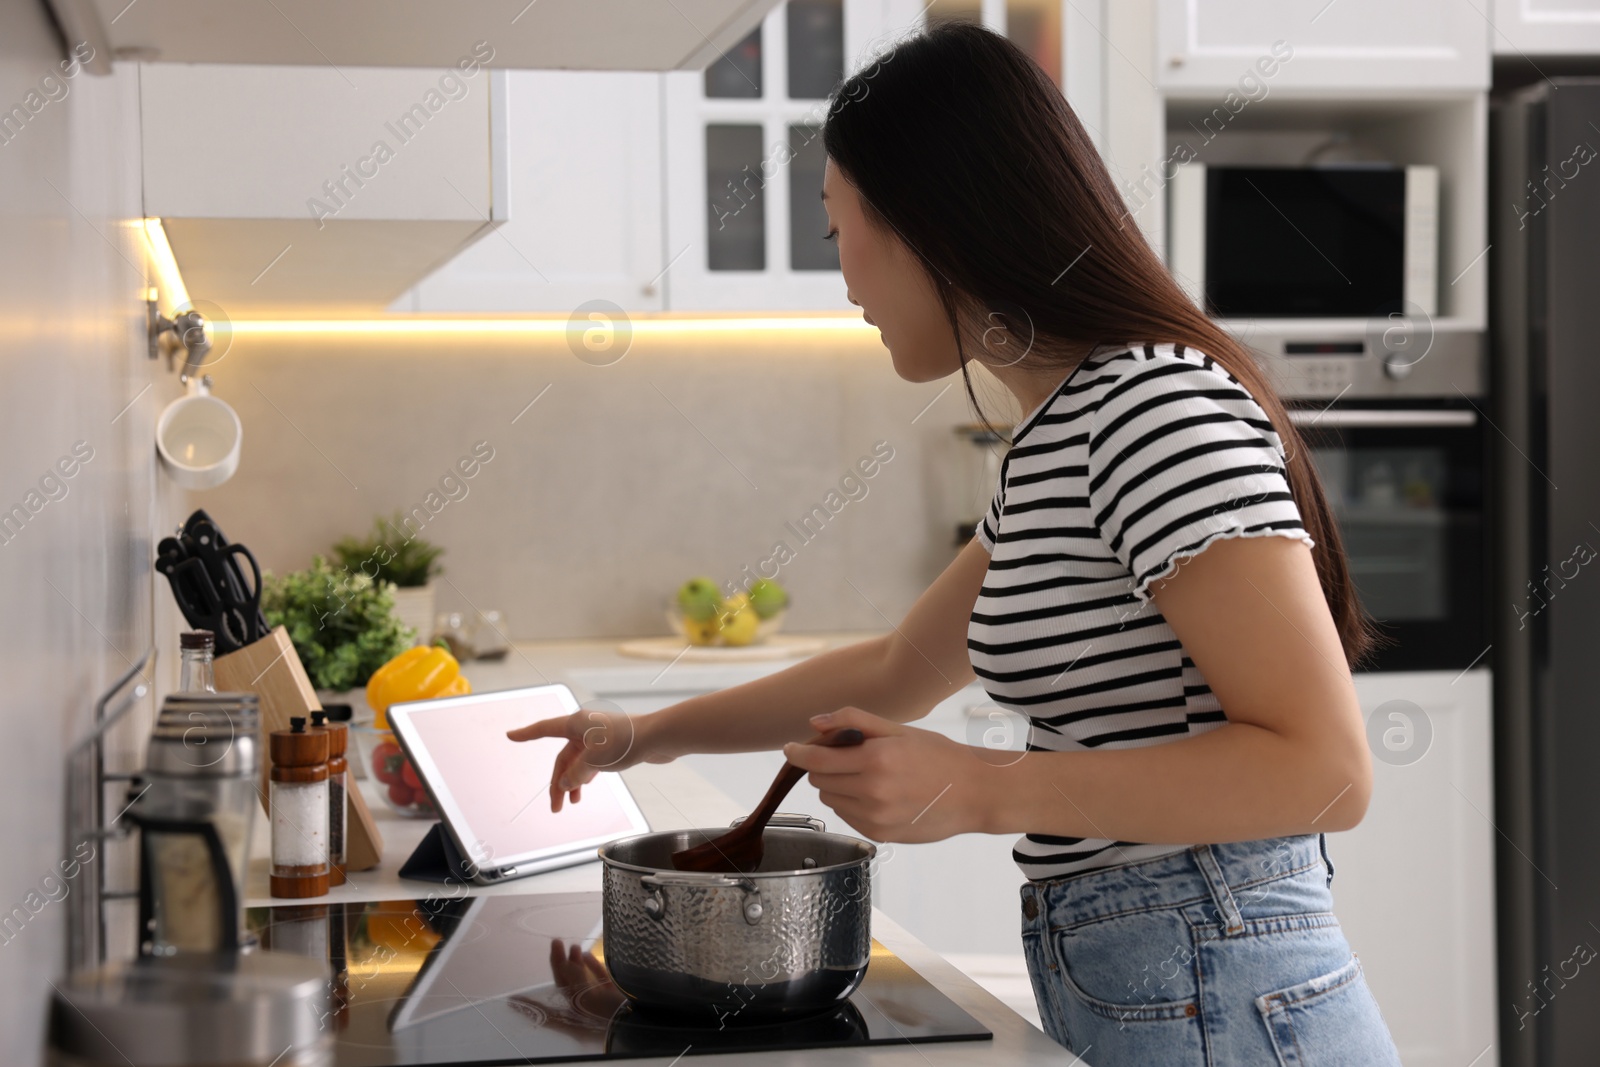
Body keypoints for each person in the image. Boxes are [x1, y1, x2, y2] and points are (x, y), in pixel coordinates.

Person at [509, 21, 1402, 1066]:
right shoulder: (1061, 431)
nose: (843, 282)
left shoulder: (1150, 409)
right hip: (1160, 977)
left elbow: (1326, 769)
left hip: (1220, 976)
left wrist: (980, 788)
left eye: (838, 231)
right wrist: (644, 734)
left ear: (928, 227)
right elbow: (898, 669)